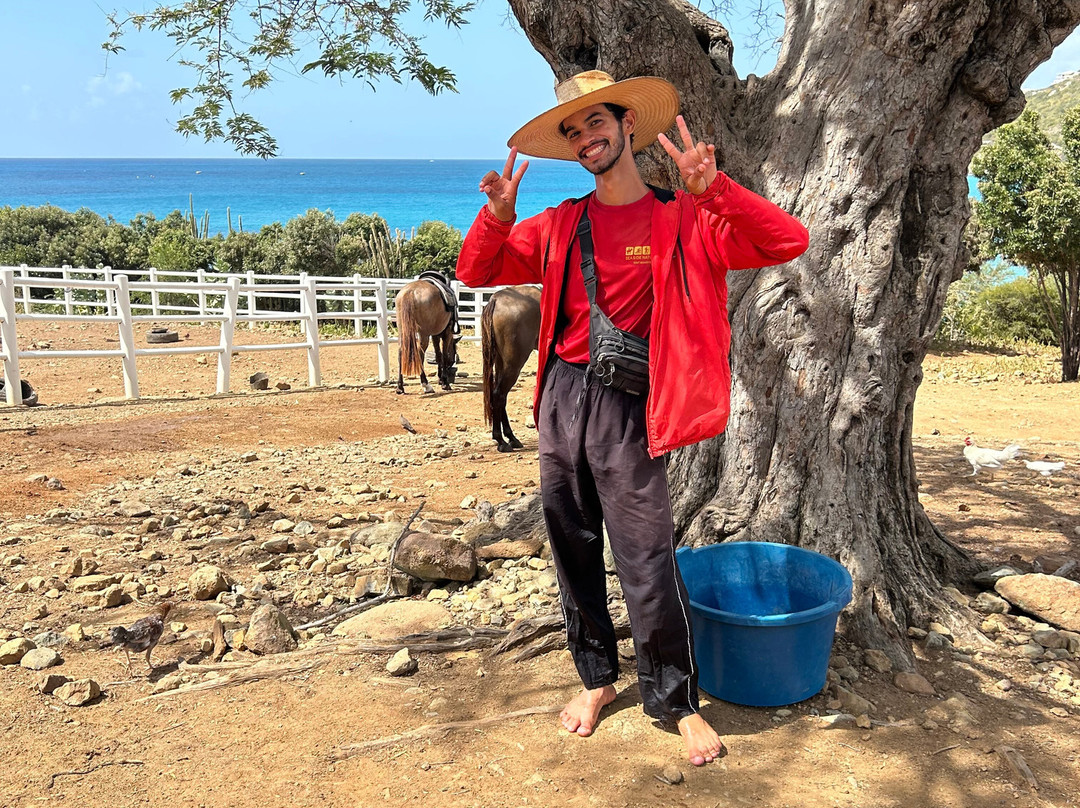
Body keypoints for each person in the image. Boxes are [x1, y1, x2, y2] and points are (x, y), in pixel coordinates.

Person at [455, 70, 809, 766]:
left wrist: (716, 190)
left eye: (598, 124)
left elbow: (786, 241)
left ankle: (675, 701)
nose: (587, 137)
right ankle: (596, 678)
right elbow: (476, 271)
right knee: (572, 543)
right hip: (561, 395)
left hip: (630, 404)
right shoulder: (560, 224)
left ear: (627, 130)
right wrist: (497, 214)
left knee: (646, 555)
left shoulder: (686, 219)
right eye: (574, 131)